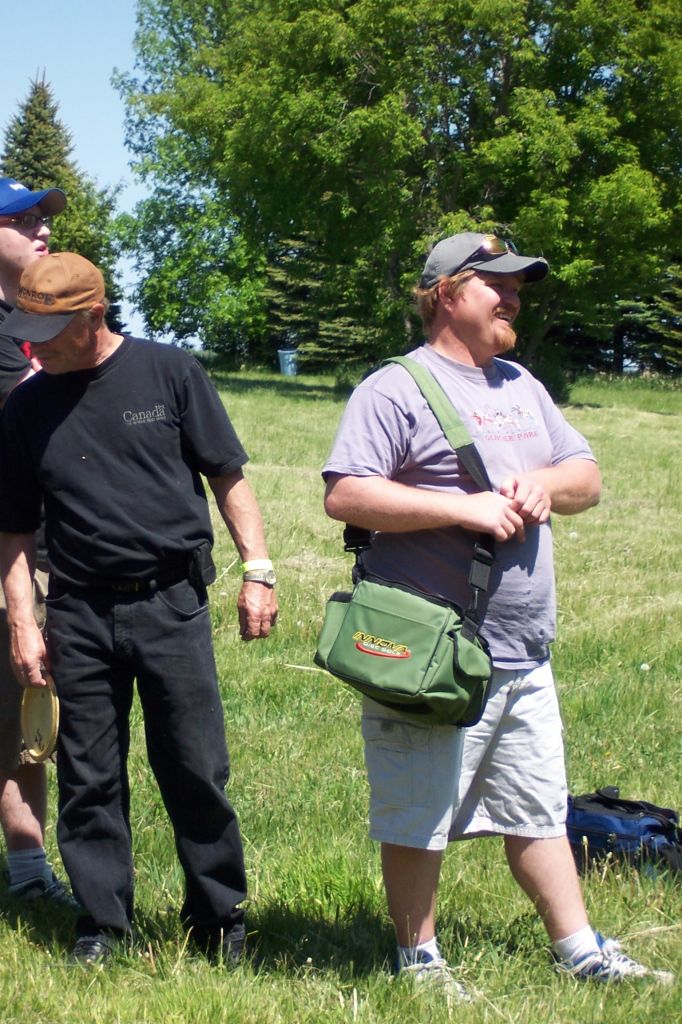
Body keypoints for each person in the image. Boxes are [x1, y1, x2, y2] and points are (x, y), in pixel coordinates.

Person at [322, 232, 673, 994]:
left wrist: (545, 484)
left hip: (523, 651)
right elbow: (345, 492)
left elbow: (587, 476)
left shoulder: (521, 383)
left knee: (536, 808)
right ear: (448, 294)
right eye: (497, 285)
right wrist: (464, 508)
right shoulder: (394, 389)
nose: (513, 298)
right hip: (430, 653)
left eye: (518, 287)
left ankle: (579, 950)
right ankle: (418, 962)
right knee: (418, 814)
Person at [0, 252, 278, 966]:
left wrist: (258, 571)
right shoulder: (26, 407)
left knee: (194, 766)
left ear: (94, 316)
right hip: (78, 611)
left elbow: (228, 477)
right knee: (88, 776)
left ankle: (218, 917)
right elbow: (14, 531)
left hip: (170, 601)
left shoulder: (170, 372)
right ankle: (102, 923)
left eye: (49, 332)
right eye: (27, 331)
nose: (34, 347)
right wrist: (24, 623)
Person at [0, 176, 76, 907]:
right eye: (21, 220)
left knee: (33, 710)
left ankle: (29, 871)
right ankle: (27, 871)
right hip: (8, 549)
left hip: (59, 551)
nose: (41, 229)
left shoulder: (51, 321)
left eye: (42, 218)